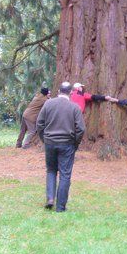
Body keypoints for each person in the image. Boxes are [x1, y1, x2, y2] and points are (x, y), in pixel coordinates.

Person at [36, 81, 85, 212]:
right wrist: (75, 143)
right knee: (65, 174)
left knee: (51, 170)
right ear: (70, 93)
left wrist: (44, 139)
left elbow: (39, 124)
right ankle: (60, 207)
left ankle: (50, 198)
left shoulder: (48, 104)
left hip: (50, 143)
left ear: (58, 91)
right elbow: (80, 129)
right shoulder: (74, 108)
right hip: (67, 144)